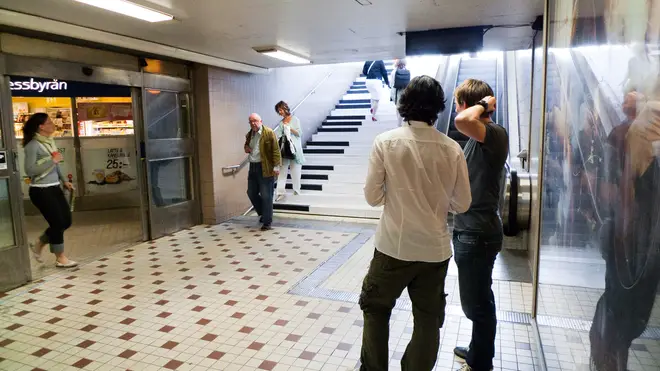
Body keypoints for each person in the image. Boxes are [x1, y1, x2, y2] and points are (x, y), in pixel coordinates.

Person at [358, 75, 472, 371]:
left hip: (392, 248)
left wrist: (397, 197)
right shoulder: (453, 149)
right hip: (434, 252)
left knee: (376, 309)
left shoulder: (385, 142)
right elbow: (462, 204)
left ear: (405, 104)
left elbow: (372, 196)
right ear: (438, 108)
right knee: (428, 319)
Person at [590, 88, 660, 371]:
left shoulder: (631, 138)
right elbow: (610, 192)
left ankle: (610, 358)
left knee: (626, 314)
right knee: (622, 312)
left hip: (639, 245)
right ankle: (609, 359)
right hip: (629, 242)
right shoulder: (624, 137)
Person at [452, 79, 509, 371]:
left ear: (469, 104)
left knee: (477, 305)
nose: (456, 109)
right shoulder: (481, 138)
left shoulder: (495, 134)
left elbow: (462, 120)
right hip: (470, 230)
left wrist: (485, 103)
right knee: (478, 298)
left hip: (477, 233)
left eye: (458, 102)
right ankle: (477, 350)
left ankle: (481, 362)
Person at [23, 113, 77, 268]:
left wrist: (64, 180)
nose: (52, 124)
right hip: (41, 191)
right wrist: (51, 161)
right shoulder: (33, 145)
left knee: (66, 221)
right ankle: (60, 257)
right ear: (41, 126)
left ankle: (39, 243)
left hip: (54, 187)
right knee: (58, 222)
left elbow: (56, 164)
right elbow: (30, 170)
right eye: (49, 122)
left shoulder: (49, 142)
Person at [244, 113, 281, 231]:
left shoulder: (269, 133)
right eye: (250, 121)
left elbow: (276, 150)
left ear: (261, 121)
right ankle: (264, 214)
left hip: (265, 168)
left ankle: (267, 222)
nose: (253, 123)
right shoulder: (249, 134)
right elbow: (247, 145)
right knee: (251, 192)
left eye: (255, 121)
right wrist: (246, 147)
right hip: (253, 167)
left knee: (266, 195)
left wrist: (276, 166)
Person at [274, 101, 305, 201]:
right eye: (278, 111)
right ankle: (280, 192)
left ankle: (296, 190)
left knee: (295, 171)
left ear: (285, 108)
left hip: (294, 149)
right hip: (284, 150)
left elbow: (299, 133)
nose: (280, 112)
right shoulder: (281, 123)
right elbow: (277, 135)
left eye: (281, 110)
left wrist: (289, 128)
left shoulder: (295, 119)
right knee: (282, 171)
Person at [390, 59, 411, 126]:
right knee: (402, 106)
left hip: (396, 92)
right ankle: (400, 122)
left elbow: (391, 83)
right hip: (404, 91)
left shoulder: (394, 72)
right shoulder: (407, 71)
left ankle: (399, 123)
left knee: (398, 107)